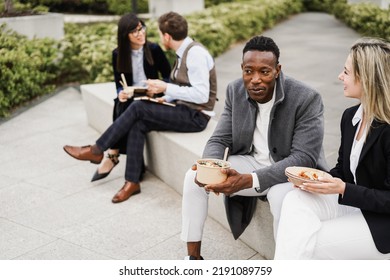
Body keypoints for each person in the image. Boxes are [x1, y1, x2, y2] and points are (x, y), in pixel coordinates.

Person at [181, 35, 328, 260]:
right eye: (249, 71)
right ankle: (193, 259)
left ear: (277, 70)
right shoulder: (234, 90)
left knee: (282, 198)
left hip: (291, 174)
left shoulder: (306, 98)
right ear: (242, 68)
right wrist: (209, 168)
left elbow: (304, 158)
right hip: (251, 162)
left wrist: (250, 180)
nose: (255, 79)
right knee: (192, 177)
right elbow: (219, 139)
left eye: (264, 72)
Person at [63, 11, 217, 204]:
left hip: (197, 116)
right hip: (183, 108)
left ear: (167, 36)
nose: (156, 37)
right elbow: (184, 87)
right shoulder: (184, 52)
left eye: (161, 34)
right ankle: (132, 181)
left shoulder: (195, 54)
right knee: (138, 121)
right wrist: (164, 96)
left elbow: (201, 95)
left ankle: (97, 149)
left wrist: (165, 88)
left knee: (138, 108)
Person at [274, 38, 390, 259]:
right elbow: (343, 171)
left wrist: (344, 189)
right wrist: (314, 181)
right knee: (294, 199)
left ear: (366, 78)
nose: (339, 77)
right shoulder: (350, 117)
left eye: (346, 72)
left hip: (382, 221)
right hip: (356, 204)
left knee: (312, 243)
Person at [91, 13, 172, 183]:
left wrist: (155, 87)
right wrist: (121, 92)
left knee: (126, 109)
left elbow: (169, 78)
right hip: (132, 96)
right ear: (125, 35)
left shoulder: (154, 49)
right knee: (120, 102)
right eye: (135, 31)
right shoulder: (118, 54)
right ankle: (135, 167)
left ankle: (112, 154)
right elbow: (119, 84)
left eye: (141, 28)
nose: (140, 33)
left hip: (152, 95)